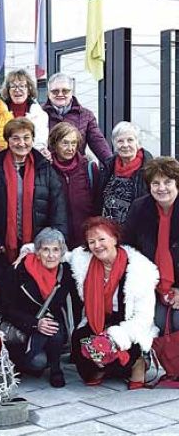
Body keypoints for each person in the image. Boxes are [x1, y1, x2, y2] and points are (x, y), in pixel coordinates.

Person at [0, 118, 68, 307]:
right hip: (1, 245)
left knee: (29, 294)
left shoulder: (45, 168)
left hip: (36, 246)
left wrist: (47, 243)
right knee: (2, 292)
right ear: (8, 141)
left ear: (33, 139)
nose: (21, 143)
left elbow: (58, 207)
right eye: (15, 138)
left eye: (26, 137)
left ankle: (31, 328)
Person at [69, 217, 157, 389]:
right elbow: (56, 252)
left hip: (128, 322)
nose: (97, 245)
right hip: (98, 318)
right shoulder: (83, 260)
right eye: (92, 241)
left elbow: (143, 317)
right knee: (82, 348)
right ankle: (104, 366)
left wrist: (115, 338)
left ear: (115, 239)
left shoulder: (140, 270)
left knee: (116, 352)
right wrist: (29, 250)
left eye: (102, 239)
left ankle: (137, 362)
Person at [6, 228, 75, 388]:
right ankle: (22, 362)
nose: (51, 255)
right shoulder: (18, 270)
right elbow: (6, 308)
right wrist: (36, 323)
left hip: (52, 326)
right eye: (46, 250)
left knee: (54, 328)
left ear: (62, 252)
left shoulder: (65, 272)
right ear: (37, 252)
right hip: (23, 327)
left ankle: (56, 369)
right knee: (38, 362)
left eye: (56, 250)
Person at [124, 157, 179, 345]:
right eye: (156, 183)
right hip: (152, 284)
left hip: (177, 284)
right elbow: (129, 248)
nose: (161, 188)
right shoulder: (139, 207)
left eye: (167, 182)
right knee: (160, 322)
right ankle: (170, 369)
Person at [49, 122, 99, 248]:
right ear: (54, 144)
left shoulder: (88, 168)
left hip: (86, 240)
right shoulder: (46, 170)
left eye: (74, 143)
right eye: (65, 143)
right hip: (56, 242)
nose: (70, 148)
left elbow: (98, 204)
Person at [41, 72, 112, 161]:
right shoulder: (38, 114)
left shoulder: (86, 115)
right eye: (55, 91)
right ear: (48, 93)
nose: (60, 94)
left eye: (65, 91)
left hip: (77, 171)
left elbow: (98, 142)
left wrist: (112, 164)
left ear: (72, 92)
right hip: (47, 171)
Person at [97, 121, 153, 225]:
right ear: (114, 144)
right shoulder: (108, 167)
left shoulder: (149, 170)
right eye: (120, 141)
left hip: (136, 233)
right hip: (108, 232)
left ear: (138, 143)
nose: (125, 145)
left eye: (130, 140)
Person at [0, 69, 49, 159]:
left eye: (22, 86)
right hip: (3, 159)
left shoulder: (40, 115)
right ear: (8, 90)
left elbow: (40, 143)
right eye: (13, 86)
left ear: (29, 90)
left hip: (31, 160)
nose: (17, 90)